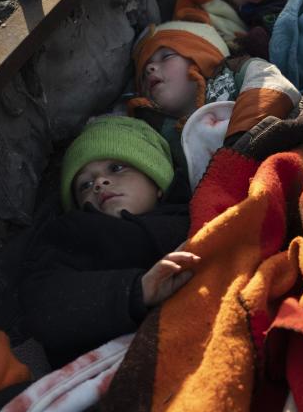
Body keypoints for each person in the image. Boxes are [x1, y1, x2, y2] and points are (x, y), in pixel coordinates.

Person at [18, 115, 198, 368]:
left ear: (156, 180)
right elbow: (44, 302)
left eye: (116, 168)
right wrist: (134, 291)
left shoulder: (193, 215)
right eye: (85, 185)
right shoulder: (73, 234)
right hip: (110, 369)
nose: (100, 183)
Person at [127, 0, 301, 157]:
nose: (149, 68)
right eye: (143, 72)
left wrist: (243, 138)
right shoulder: (156, 134)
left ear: (202, 56)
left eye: (167, 55)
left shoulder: (234, 72)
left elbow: (271, 86)